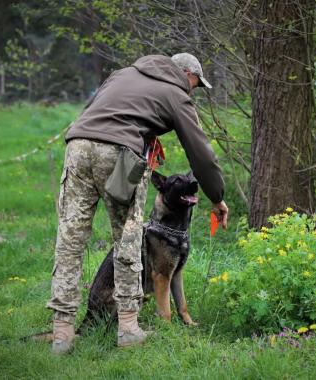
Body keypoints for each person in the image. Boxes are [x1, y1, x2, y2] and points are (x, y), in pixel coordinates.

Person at [47, 53, 229, 354]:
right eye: (195, 86)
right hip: (119, 153)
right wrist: (217, 196)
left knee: (70, 239)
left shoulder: (121, 74)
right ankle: (128, 327)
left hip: (78, 145)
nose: (192, 92)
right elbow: (200, 151)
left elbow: (95, 112)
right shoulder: (175, 91)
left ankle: (62, 333)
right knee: (128, 238)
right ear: (186, 74)